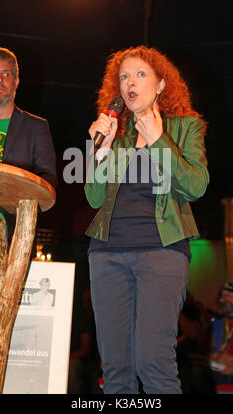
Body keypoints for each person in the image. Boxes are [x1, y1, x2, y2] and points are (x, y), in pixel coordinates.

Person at [84, 45, 209, 394]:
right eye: (123, 76)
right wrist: (100, 151)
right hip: (107, 253)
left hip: (162, 252)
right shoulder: (115, 132)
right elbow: (94, 198)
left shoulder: (186, 127)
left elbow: (196, 186)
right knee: (116, 368)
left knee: (153, 362)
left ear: (161, 85)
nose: (130, 82)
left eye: (140, 74)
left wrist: (157, 141)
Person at [0, 46, 57, 259]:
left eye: (6, 74)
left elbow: (49, 179)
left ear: (16, 82)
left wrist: (14, 192)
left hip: (13, 234)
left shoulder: (36, 127)